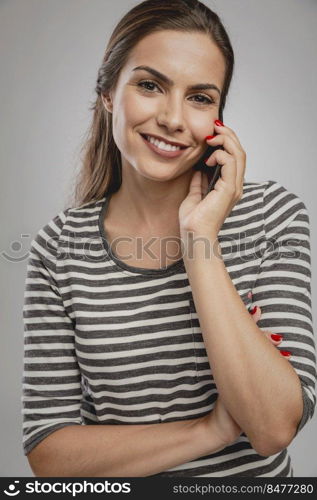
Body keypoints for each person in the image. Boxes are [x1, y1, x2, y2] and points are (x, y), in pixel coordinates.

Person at [22, 0, 316, 477]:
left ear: (219, 117)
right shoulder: (58, 247)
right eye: (150, 85)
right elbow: (49, 456)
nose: (174, 119)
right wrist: (211, 429)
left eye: (200, 97)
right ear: (108, 93)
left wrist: (201, 241)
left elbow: (272, 427)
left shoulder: (272, 215)